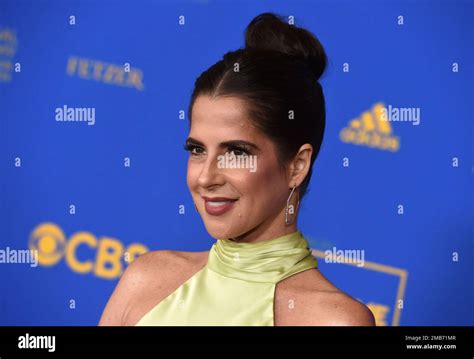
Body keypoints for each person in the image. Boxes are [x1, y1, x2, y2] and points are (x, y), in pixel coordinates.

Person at [99, 12, 375, 326]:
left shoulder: (334, 321)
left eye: (236, 152)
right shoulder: (145, 280)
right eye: (197, 150)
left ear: (297, 165)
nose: (205, 177)